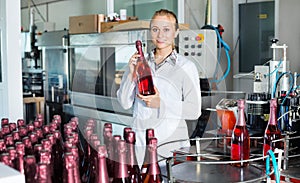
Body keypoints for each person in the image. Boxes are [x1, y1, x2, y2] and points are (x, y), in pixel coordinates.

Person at [117, 9, 201, 164]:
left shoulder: (186, 67)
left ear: (176, 32)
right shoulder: (139, 63)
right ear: (150, 32)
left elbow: (194, 110)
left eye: (166, 29)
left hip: (172, 151)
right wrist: (130, 75)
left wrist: (160, 103)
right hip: (141, 149)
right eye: (155, 29)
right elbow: (124, 103)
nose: (160, 35)